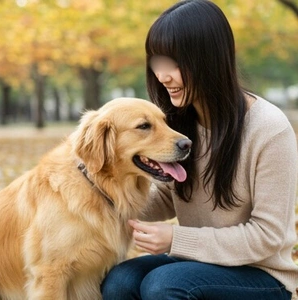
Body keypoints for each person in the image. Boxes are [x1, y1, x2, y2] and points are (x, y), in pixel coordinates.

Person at [101, 0, 298, 299]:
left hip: (263, 275)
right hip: (198, 263)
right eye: (157, 63)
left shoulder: (270, 130)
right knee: (120, 280)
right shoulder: (178, 122)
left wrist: (176, 238)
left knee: (164, 284)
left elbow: (267, 237)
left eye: (174, 64)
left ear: (208, 60)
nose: (163, 76)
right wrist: (101, 200)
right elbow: (170, 194)